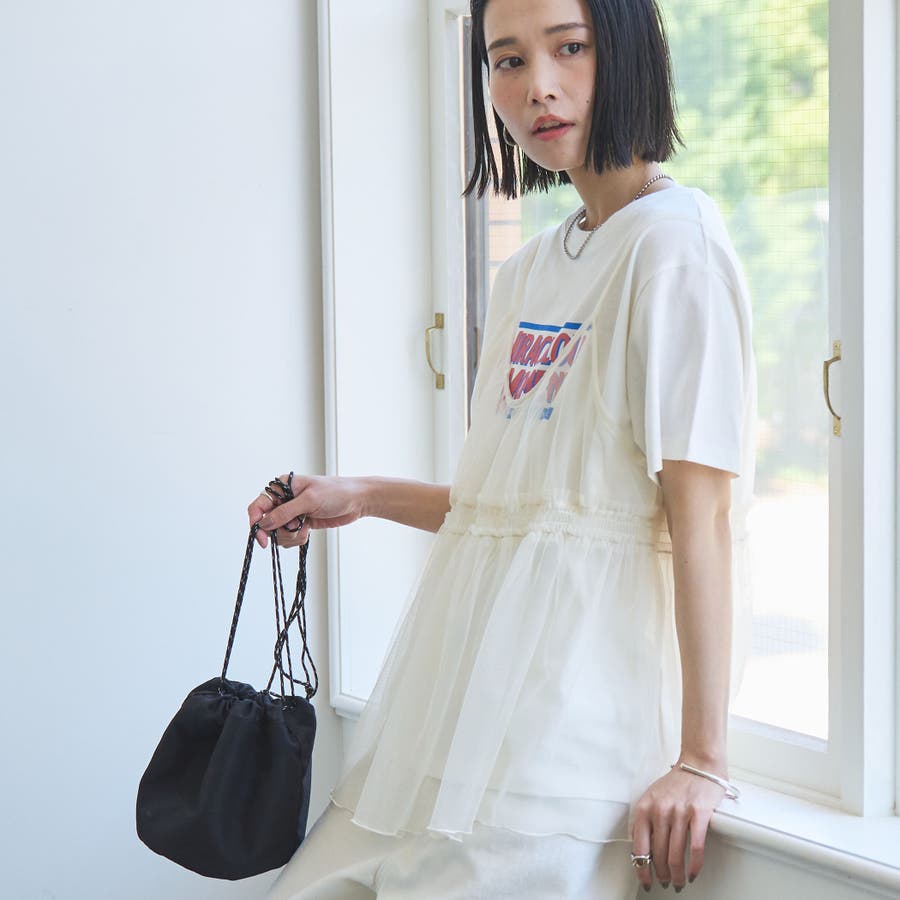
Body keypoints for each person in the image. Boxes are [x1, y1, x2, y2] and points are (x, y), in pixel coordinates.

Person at [249, 0, 757, 896]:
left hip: (570, 738)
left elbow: (703, 515)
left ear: (629, 52)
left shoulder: (675, 249)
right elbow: (513, 509)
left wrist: (702, 759)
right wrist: (356, 495)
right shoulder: (529, 270)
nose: (538, 88)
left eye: (570, 48)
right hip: (458, 706)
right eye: (508, 60)